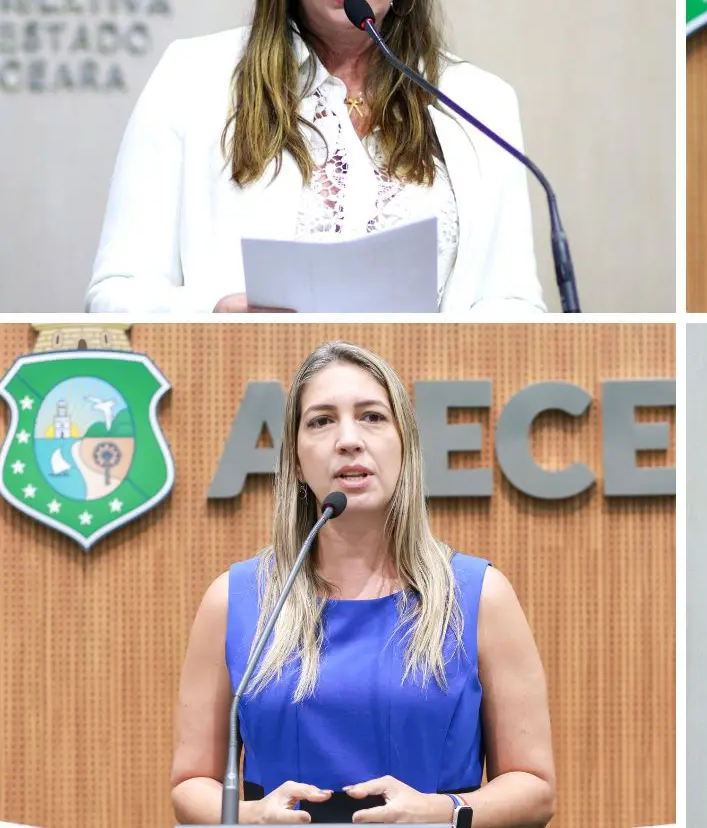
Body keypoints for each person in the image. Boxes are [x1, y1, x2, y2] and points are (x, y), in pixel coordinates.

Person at [87, 0, 546, 313]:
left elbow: (513, 301)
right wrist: (216, 313)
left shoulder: (480, 102)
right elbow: (115, 294)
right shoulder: (193, 78)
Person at [168, 341, 556, 824]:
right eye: (321, 420)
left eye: (372, 416)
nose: (348, 439)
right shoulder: (235, 599)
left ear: (405, 443)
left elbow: (535, 790)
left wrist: (441, 812)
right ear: (294, 456)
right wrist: (251, 817)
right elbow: (191, 786)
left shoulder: (480, 595)